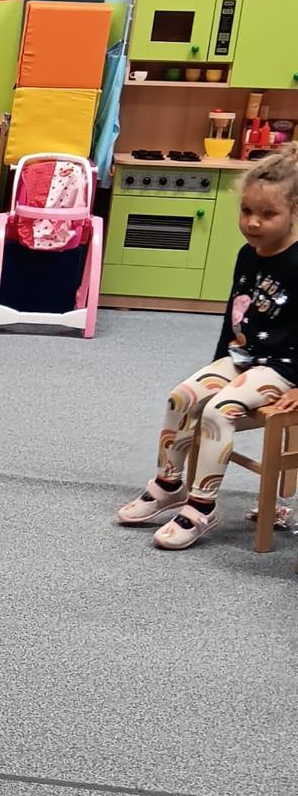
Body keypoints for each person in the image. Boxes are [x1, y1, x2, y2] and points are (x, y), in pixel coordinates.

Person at [118, 146, 298, 549]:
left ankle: (202, 506)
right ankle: (169, 484)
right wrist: (216, 365)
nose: (252, 223)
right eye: (246, 211)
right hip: (243, 357)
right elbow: (235, 313)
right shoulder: (247, 255)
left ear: (294, 211)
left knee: (219, 411)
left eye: (268, 214)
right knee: (182, 397)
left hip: (285, 368)